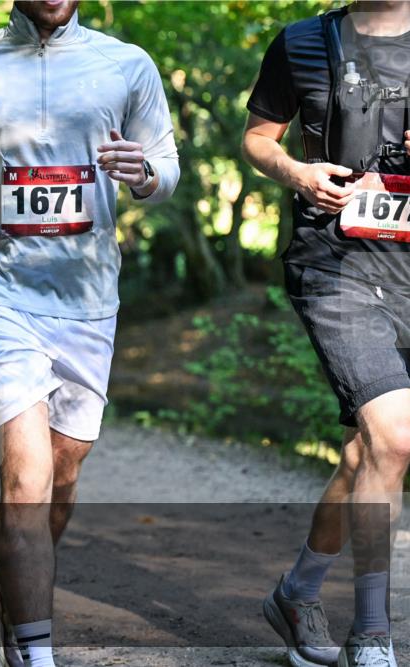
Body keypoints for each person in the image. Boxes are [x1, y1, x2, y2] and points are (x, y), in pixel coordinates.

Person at [0, 2, 179, 665]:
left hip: (87, 298)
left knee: (62, 472)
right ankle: (35, 649)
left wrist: (144, 174)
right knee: (26, 477)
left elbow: (165, 165)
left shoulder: (127, 64)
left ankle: (15, 583)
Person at [242, 2, 409, 666]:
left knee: (366, 454)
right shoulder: (303, 43)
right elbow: (259, 139)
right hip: (334, 265)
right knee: (395, 438)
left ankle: (297, 591)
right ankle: (372, 635)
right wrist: (299, 173)